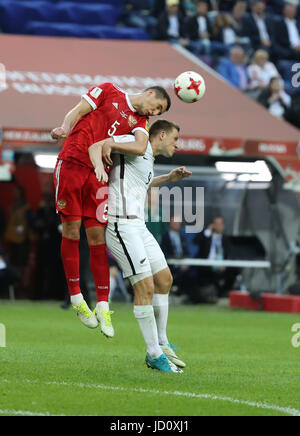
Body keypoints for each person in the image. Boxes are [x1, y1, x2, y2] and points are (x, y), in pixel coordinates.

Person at [52, 82, 171, 337]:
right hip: (73, 161)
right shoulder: (109, 91)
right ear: (150, 93)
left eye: (159, 112)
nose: (154, 113)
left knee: (97, 238)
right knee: (71, 231)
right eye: (157, 107)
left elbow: (140, 145)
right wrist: (65, 127)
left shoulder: (140, 121)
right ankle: (76, 298)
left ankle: (103, 305)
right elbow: (78, 110)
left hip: (100, 175)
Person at [90, 120, 192, 373]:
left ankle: (162, 342)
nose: (177, 145)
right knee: (144, 286)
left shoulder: (146, 156)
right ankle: (153, 353)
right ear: (161, 134)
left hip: (139, 226)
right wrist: (100, 159)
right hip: (121, 224)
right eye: (175, 139)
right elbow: (100, 143)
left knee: (165, 279)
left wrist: (169, 178)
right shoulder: (134, 144)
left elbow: (140, 183)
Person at [194, 216, 239, 298]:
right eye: (216, 224)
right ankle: (206, 294)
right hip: (207, 264)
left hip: (221, 265)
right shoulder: (206, 237)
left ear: (223, 226)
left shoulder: (225, 239)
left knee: (234, 270)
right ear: (213, 225)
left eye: (220, 224)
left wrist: (224, 264)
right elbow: (196, 241)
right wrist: (208, 231)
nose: (218, 226)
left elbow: (230, 253)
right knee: (203, 272)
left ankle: (222, 293)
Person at [160, 215, 194, 297]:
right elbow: (164, 253)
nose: (177, 224)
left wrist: (185, 263)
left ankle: (186, 296)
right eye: (174, 222)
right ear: (170, 223)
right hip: (171, 266)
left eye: (178, 222)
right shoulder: (165, 237)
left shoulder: (182, 237)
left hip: (183, 265)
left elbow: (187, 253)